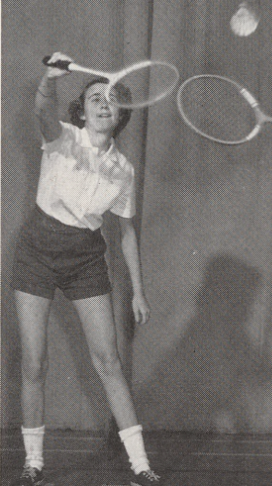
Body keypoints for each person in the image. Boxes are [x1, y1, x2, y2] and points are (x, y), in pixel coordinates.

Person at [10, 52, 162, 486]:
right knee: (34, 363)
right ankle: (33, 463)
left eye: (112, 99)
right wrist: (49, 79)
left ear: (120, 115)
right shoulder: (62, 138)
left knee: (109, 361)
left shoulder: (123, 170)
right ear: (82, 109)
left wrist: (137, 290)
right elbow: (42, 109)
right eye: (95, 96)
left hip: (85, 259)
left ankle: (140, 465)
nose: (102, 103)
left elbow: (126, 232)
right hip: (36, 251)